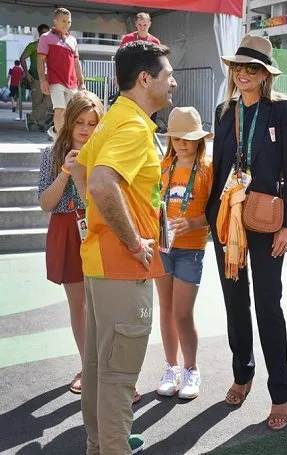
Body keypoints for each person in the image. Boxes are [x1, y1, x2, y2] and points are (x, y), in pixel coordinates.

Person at [71, 41, 176, 454]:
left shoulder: (117, 117)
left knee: (99, 370)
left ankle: (99, 447)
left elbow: (80, 168)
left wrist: (96, 221)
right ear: (145, 79)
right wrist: (134, 241)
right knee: (117, 378)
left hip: (100, 263)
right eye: (168, 75)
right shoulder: (131, 126)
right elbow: (98, 181)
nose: (174, 82)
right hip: (122, 267)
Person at [205, 34, 287, 431]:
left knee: (267, 305)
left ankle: (280, 392)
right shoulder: (223, 111)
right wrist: (208, 219)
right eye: (238, 67)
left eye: (252, 68)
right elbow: (219, 165)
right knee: (233, 302)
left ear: (265, 75)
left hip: (266, 221)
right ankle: (242, 373)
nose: (243, 74)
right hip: (226, 220)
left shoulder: (281, 110)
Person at [38, 91, 103, 395]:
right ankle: (87, 367)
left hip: (100, 230)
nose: (85, 129)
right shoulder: (50, 155)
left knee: (104, 305)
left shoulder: (105, 153)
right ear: (69, 122)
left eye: (92, 123)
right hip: (66, 229)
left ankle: (109, 372)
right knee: (79, 305)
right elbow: (45, 204)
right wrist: (65, 171)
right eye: (80, 122)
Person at [155, 107, 213, 400]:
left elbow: (214, 213)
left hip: (191, 251)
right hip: (163, 248)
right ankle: (171, 367)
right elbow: (151, 201)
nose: (182, 143)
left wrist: (192, 223)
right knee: (165, 311)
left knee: (182, 313)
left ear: (200, 139)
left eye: (188, 137)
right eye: (177, 137)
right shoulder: (162, 165)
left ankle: (191, 369)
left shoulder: (208, 169)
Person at [38, 8, 85, 135]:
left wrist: (82, 81)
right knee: (60, 109)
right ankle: (59, 139)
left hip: (72, 82)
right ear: (55, 21)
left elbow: (76, 62)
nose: (66, 24)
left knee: (74, 111)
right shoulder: (46, 38)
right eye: (63, 21)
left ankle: (64, 135)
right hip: (55, 80)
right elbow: (40, 61)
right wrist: (42, 81)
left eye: (69, 22)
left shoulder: (73, 40)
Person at [20, 23, 53, 131]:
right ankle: (40, 124)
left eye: (47, 33)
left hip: (49, 79)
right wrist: (27, 74)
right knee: (37, 101)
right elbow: (22, 58)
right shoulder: (33, 46)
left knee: (48, 102)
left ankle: (31, 117)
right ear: (39, 34)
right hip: (35, 77)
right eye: (43, 33)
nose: (46, 35)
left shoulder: (51, 47)